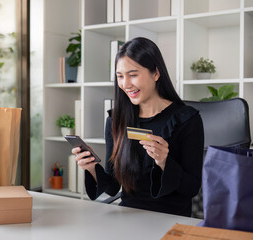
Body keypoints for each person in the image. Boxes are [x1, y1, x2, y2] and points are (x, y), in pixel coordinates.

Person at [72, 37, 204, 217]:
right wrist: (91, 168)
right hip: (128, 217)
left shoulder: (187, 120)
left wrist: (164, 162)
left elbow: (192, 188)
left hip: (171, 218)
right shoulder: (116, 120)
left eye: (133, 75)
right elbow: (112, 186)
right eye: (120, 76)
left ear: (156, 73)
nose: (125, 84)